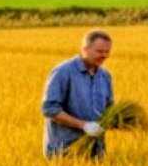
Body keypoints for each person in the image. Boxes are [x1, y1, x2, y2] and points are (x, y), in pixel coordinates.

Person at [41, 29, 114, 159]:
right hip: (64, 151)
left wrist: (117, 120)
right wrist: (83, 125)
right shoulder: (63, 72)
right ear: (85, 49)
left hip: (96, 151)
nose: (104, 55)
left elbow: (109, 108)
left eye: (107, 52)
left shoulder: (105, 76)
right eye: (99, 51)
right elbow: (50, 109)